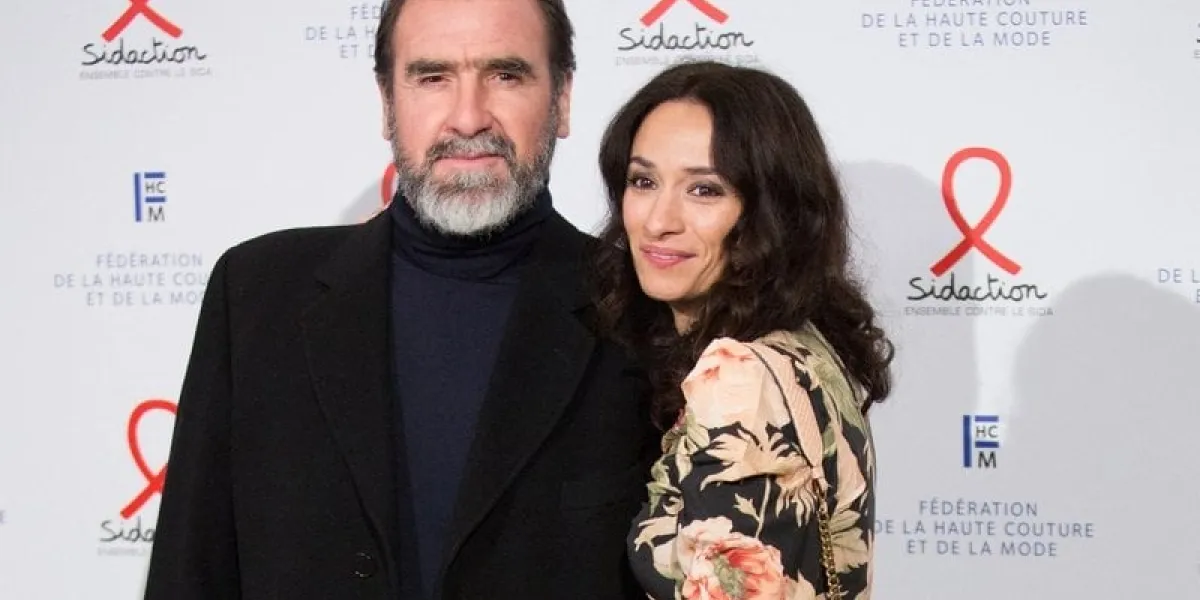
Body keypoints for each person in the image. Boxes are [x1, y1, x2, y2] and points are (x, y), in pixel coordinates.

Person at [142, 1, 659, 598]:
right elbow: (190, 572)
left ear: (562, 98)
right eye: (432, 76)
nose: (468, 118)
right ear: (388, 103)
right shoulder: (256, 294)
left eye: (505, 75)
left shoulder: (641, 309)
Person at [590, 61, 896, 599]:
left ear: (767, 212)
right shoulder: (807, 348)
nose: (659, 219)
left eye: (704, 190)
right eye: (643, 181)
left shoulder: (738, 378)